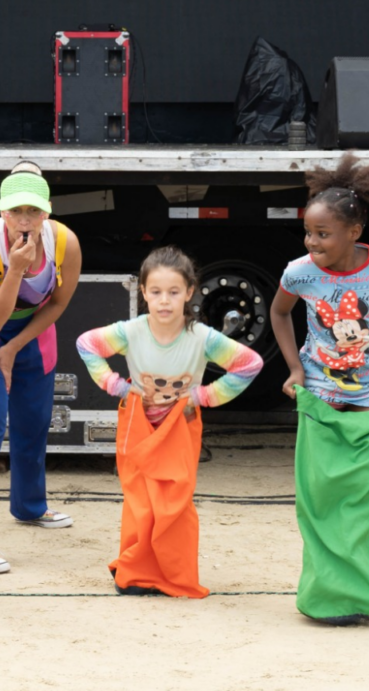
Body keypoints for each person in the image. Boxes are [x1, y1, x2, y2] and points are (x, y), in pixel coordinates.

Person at [269, 152, 369, 626]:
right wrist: (296, 369)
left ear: (353, 232)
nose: (312, 241)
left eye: (323, 233)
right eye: (309, 232)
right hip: (320, 395)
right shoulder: (300, 272)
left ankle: (359, 598)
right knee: (318, 499)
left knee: (362, 503)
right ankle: (323, 598)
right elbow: (279, 313)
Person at [77, 245, 263, 596]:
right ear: (143, 292)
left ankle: (173, 575)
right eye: (156, 292)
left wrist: (202, 396)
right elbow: (87, 344)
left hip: (180, 427)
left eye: (174, 292)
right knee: (140, 502)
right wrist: (117, 386)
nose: (164, 301)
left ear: (190, 292)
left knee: (174, 503)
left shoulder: (202, 337)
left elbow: (249, 364)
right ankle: (134, 572)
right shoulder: (130, 331)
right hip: (138, 425)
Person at [0, 163, 82, 574]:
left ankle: (29, 506)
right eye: (15, 211)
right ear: (2, 212)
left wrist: (17, 347)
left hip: (32, 333)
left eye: (33, 211)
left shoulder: (65, 242)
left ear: (48, 211)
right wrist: (18, 268)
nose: (24, 220)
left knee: (35, 421)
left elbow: (58, 304)